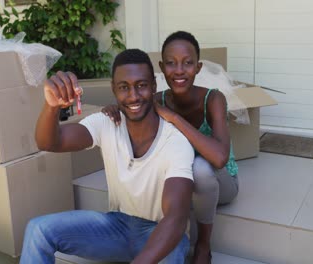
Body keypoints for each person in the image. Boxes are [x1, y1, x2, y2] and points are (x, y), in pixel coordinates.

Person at [20, 49, 195, 264]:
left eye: (141, 85)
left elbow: (176, 219)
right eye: (124, 87)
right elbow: (49, 142)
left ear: (153, 87)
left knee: (172, 248)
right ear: (114, 90)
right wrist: (51, 106)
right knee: (38, 229)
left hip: (160, 233)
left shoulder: (175, 142)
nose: (133, 95)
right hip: (117, 227)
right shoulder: (107, 123)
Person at [102, 31, 239, 264]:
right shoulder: (155, 100)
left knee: (201, 168)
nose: (178, 71)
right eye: (171, 63)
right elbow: (132, 102)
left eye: (187, 63)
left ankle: (203, 244)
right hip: (182, 181)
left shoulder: (213, 99)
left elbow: (219, 158)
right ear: (161, 68)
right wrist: (115, 108)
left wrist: (174, 118)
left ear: (198, 67)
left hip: (220, 180)